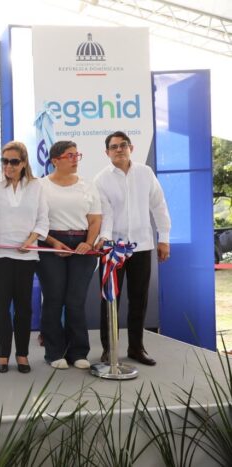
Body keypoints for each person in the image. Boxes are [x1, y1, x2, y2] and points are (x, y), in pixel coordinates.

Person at [94, 131, 171, 366]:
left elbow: (159, 206)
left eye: (123, 145)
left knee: (139, 299)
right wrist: (105, 239)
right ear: (106, 152)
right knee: (110, 300)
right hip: (112, 250)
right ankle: (109, 350)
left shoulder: (145, 173)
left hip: (142, 246)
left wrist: (164, 238)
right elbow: (105, 215)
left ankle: (137, 348)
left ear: (131, 148)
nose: (119, 149)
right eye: (114, 146)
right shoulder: (101, 179)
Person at [36, 140, 102, 370]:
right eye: (70, 156)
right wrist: (54, 243)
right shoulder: (40, 186)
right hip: (51, 244)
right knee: (53, 299)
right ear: (55, 161)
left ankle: (79, 352)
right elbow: (35, 221)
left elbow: (95, 219)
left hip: (82, 246)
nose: (75, 159)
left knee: (75, 300)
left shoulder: (88, 186)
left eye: (77, 155)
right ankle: (54, 352)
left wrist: (88, 243)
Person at [0, 141, 48, 374]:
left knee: (23, 307)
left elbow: (43, 219)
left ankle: (22, 354)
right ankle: (2, 354)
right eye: (4, 161)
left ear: (23, 163)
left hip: (26, 255)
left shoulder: (36, 186)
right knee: (1, 306)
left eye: (14, 161)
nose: (8, 166)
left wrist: (30, 241)